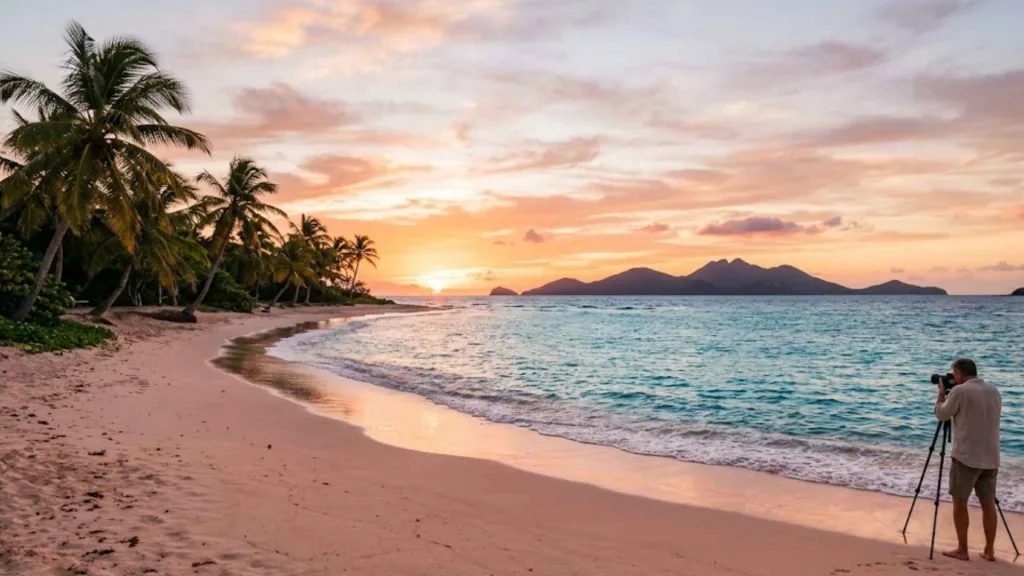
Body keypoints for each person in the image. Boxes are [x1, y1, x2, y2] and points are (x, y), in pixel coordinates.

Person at [934, 357, 1002, 562]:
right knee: (988, 504)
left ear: (960, 375)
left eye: (954, 375)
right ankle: (989, 550)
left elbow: (942, 415)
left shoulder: (960, 391)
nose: (953, 379)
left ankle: (962, 549)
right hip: (991, 456)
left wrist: (940, 394)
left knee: (960, 501)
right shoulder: (993, 390)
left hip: (966, 457)